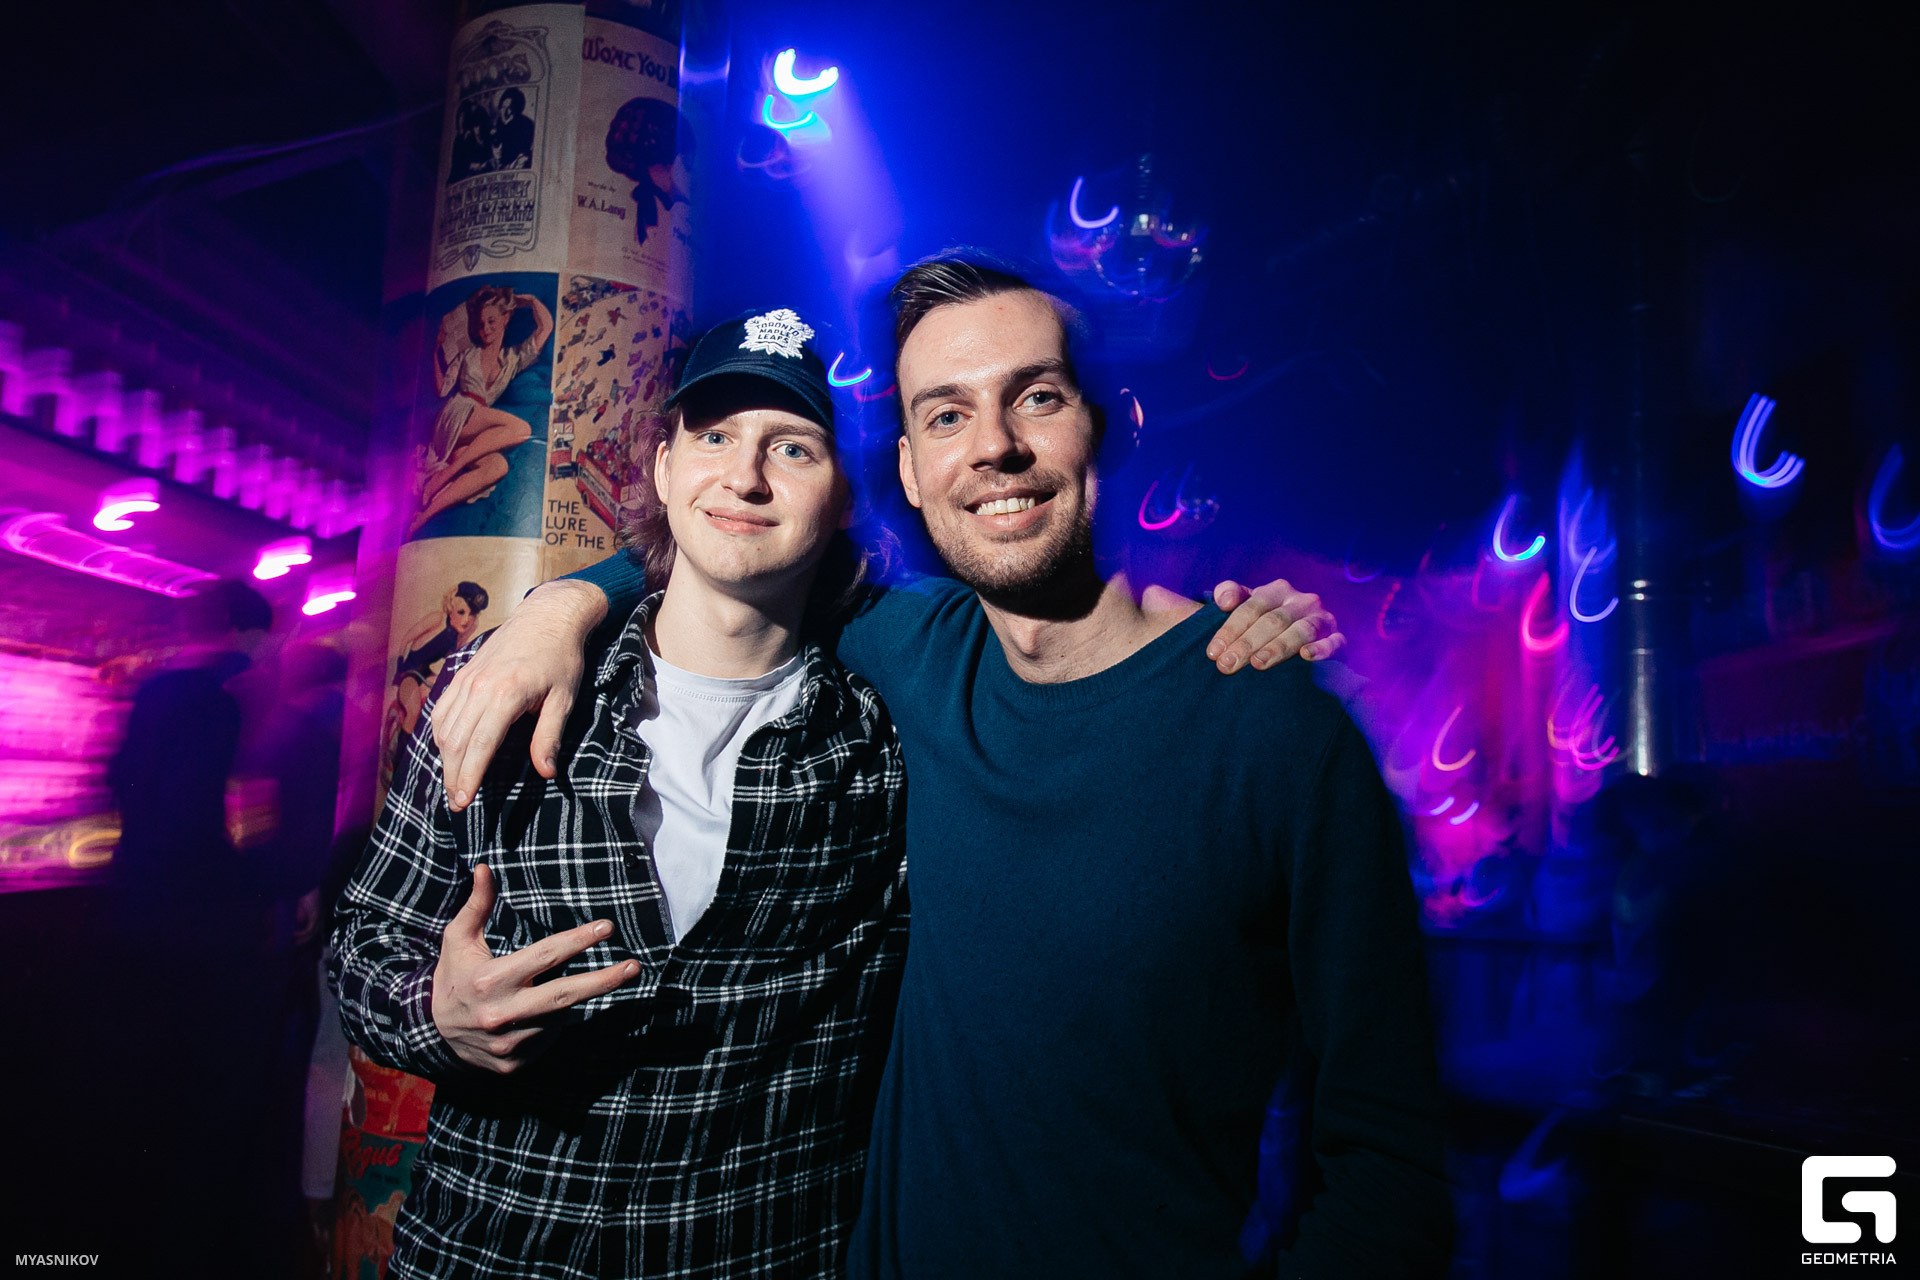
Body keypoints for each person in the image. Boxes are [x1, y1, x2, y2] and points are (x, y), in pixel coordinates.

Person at [435, 255, 1450, 1277]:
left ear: (1111, 426)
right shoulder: (907, 652)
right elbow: (731, 542)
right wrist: (560, 606)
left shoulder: (1276, 732)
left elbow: (1391, 1165)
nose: (994, 447)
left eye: (1037, 397)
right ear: (912, 471)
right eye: (947, 415)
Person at [416, 285, 554, 535]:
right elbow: (442, 388)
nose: (486, 329)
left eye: (491, 321)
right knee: (521, 428)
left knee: (498, 467)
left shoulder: (513, 359)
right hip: (456, 414)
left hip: (473, 431)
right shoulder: (469, 354)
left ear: (506, 318)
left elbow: (546, 327)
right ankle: (445, 475)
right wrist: (436, 352)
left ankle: (424, 516)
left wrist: (531, 298)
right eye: (481, 324)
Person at [383, 581, 489, 769]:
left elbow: (454, 656)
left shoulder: (463, 631)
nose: (466, 620)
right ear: (452, 607)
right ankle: (400, 764)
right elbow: (406, 639)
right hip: (410, 671)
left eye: (472, 615)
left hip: (425, 673)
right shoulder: (437, 619)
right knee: (413, 711)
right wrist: (399, 667)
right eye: (461, 612)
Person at [491, 87, 534, 171]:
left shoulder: (526, 124)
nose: (506, 112)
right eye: (503, 107)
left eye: (510, 108)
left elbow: (524, 153)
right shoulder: (499, 124)